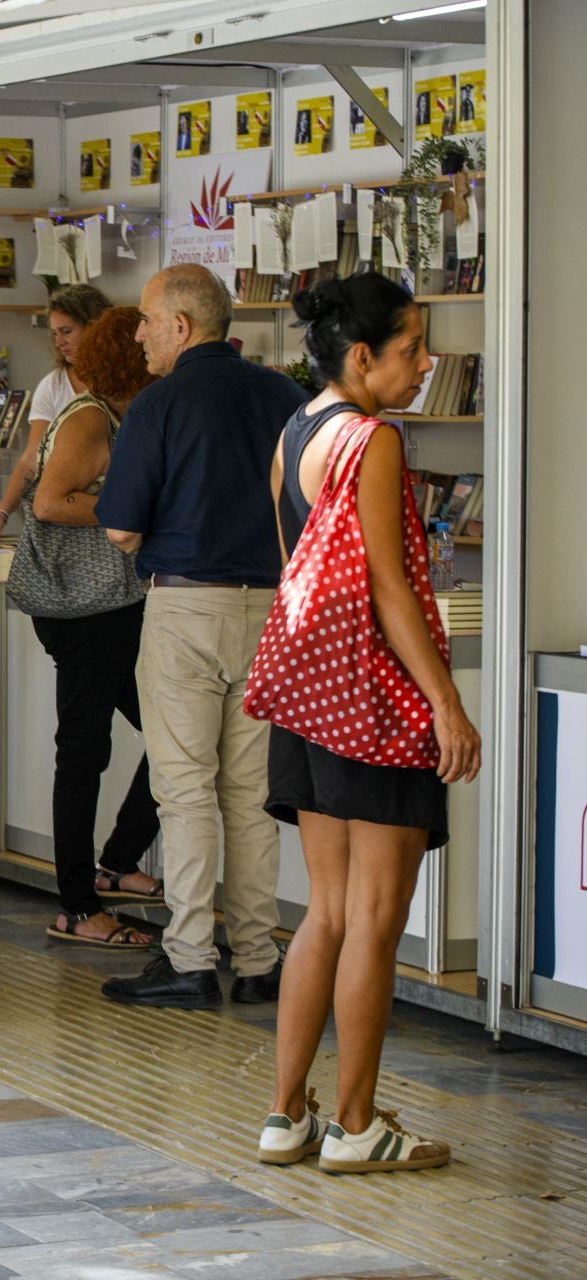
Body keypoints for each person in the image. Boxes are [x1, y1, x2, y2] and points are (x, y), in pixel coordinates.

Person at [257, 276, 478, 1174]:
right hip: (374, 706)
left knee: (328, 914)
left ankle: (287, 1116)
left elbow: (294, 571)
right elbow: (390, 588)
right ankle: (356, 1125)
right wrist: (446, 705)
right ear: (362, 357)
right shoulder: (374, 440)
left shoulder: (295, 431)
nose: (426, 366)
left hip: (306, 701)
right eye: (412, 349)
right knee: (378, 922)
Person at [95, 264, 307, 1009]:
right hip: (271, 611)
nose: (141, 332)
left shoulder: (159, 405)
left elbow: (120, 524)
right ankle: (255, 959)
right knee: (251, 796)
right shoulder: (286, 396)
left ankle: (188, 957)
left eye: (148, 320)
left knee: (184, 793)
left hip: (187, 609)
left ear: (182, 326)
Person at [10, 307, 163, 949]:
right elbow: (48, 501)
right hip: (87, 609)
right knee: (84, 751)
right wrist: (131, 508)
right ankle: (77, 904)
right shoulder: (93, 417)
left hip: (103, 607)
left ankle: (117, 863)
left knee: (171, 732)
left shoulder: (108, 413)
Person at [0, 284, 111, 541]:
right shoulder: (53, 385)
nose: (59, 341)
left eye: (66, 331)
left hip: (113, 515)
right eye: (54, 333)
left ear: (95, 327)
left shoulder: (119, 383)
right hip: (65, 519)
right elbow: (32, 457)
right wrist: (2, 512)